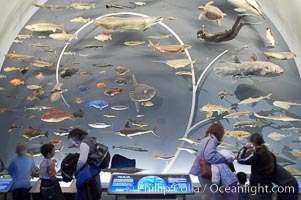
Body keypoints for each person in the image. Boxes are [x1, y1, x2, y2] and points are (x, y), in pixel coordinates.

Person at [189, 123, 237, 200]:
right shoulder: (212, 140)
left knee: (208, 194)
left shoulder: (205, 140)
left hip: (201, 171)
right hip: (207, 172)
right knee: (214, 196)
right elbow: (209, 156)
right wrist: (224, 157)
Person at [237, 133, 277, 200]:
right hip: (268, 188)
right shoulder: (271, 155)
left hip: (257, 189)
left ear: (252, 143)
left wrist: (245, 148)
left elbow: (240, 160)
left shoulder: (256, 156)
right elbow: (274, 173)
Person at [68, 128, 101, 200]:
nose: (73, 142)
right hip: (94, 172)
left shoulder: (84, 143)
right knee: (94, 193)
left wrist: (76, 171)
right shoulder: (92, 139)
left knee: (86, 195)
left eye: (72, 139)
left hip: (87, 174)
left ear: (75, 136)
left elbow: (82, 160)